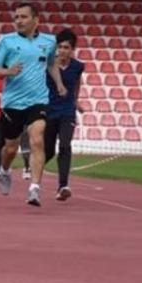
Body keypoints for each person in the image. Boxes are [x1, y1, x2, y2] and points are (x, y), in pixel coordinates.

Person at [0, 2, 68, 207]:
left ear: (36, 19)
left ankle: (34, 188)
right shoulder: (6, 41)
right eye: (16, 17)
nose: (18, 21)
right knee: (11, 148)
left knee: (37, 139)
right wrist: (8, 72)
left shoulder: (49, 41)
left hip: (38, 100)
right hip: (13, 102)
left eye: (23, 17)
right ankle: (5, 170)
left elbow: (51, 63)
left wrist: (59, 84)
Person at [44, 28, 85, 202]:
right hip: (49, 110)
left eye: (67, 47)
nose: (62, 51)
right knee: (48, 151)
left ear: (72, 49)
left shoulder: (77, 66)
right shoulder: (48, 64)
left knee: (65, 145)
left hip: (67, 112)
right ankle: (33, 167)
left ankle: (63, 186)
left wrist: (76, 101)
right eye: (60, 47)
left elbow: (77, 84)